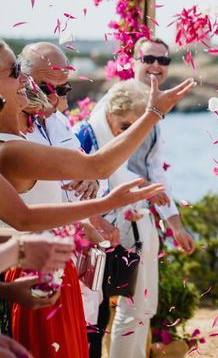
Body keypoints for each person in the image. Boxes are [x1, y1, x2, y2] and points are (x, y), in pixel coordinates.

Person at [0, 38, 193, 358]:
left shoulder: (36, 126)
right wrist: (154, 112)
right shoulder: (11, 149)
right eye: (16, 72)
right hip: (30, 265)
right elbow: (94, 167)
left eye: (64, 90)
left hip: (48, 262)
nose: (25, 81)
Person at [89, 38, 195, 358]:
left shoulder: (156, 110)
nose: (156, 66)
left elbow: (155, 169)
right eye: (149, 58)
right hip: (116, 216)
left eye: (164, 61)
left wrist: (175, 224)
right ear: (134, 60)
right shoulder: (113, 102)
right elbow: (103, 162)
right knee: (128, 303)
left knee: (145, 306)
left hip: (143, 216)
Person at [77, 79, 167, 358]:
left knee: (111, 310)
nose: (129, 136)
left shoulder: (114, 137)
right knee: (93, 315)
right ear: (110, 113)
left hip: (112, 233)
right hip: (87, 234)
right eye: (125, 127)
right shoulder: (86, 136)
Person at [20, 43, 100, 203]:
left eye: (62, 90)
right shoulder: (12, 129)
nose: (55, 99)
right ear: (23, 80)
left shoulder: (62, 121)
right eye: (45, 89)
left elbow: (87, 166)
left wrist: (94, 180)